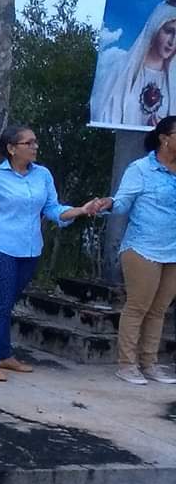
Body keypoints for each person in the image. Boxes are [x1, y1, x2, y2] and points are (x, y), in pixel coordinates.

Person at [0, 126, 102, 382]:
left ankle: (5, 355)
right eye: (28, 143)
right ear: (11, 149)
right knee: (2, 303)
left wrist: (81, 210)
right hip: (0, 248)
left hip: (30, 249)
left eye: (35, 142)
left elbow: (52, 209)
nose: (35, 147)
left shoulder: (43, 175)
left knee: (9, 302)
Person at [96, 115, 176, 385]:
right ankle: (127, 364)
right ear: (165, 137)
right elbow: (122, 202)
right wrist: (107, 203)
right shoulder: (141, 169)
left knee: (159, 309)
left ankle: (149, 363)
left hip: (174, 250)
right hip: (143, 248)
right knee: (138, 306)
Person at [91, 0, 176, 128]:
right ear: (155, 28)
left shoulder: (172, 82)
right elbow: (102, 115)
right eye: (169, 31)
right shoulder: (121, 70)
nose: (172, 41)